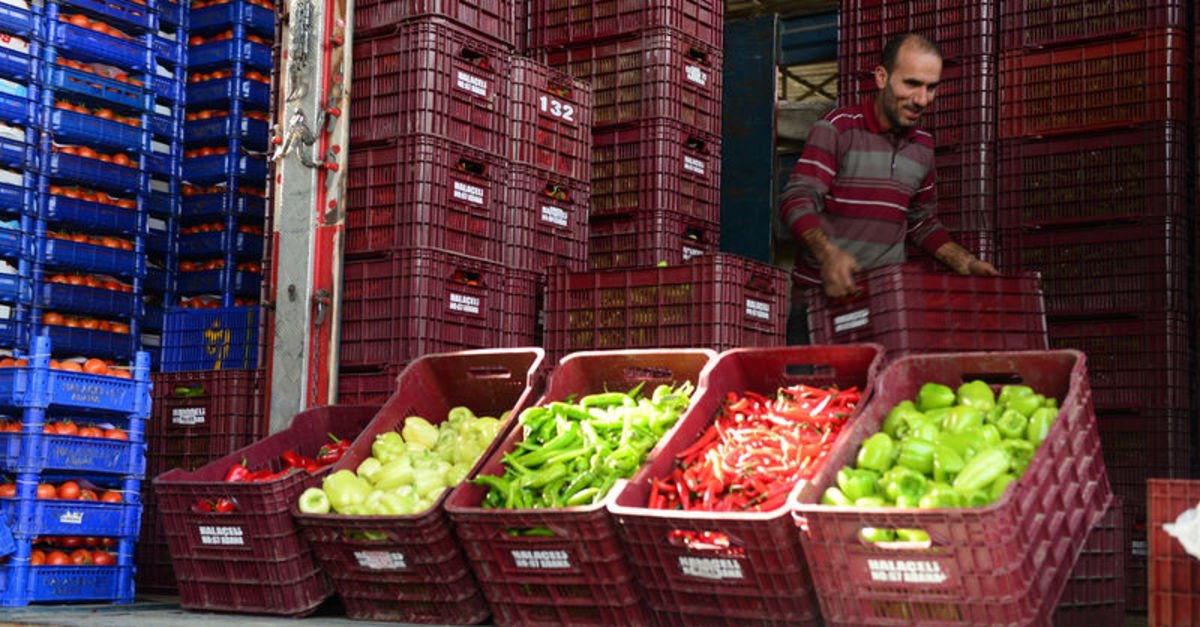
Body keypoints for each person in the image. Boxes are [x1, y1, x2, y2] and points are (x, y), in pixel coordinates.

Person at [780, 33, 998, 299]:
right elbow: (796, 199)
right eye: (912, 84)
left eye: (931, 87)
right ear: (882, 77)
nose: (922, 99)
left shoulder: (923, 147)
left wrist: (965, 262)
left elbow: (921, 222)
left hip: (883, 302)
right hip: (820, 297)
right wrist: (829, 256)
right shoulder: (838, 129)